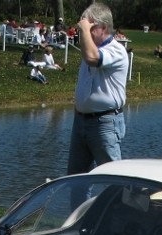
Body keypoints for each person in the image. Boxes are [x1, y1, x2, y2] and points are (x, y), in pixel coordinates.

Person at [66, 2, 128, 175]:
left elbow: (93, 58)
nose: (84, 31)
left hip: (105, 123)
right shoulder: (90, 49)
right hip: (80, 121)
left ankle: (120, 203)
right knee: (76, 179)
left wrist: (84, 30)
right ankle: (81, 204)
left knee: (112, 178)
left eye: (90, 27)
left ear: (103, 27)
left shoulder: (116, 50)